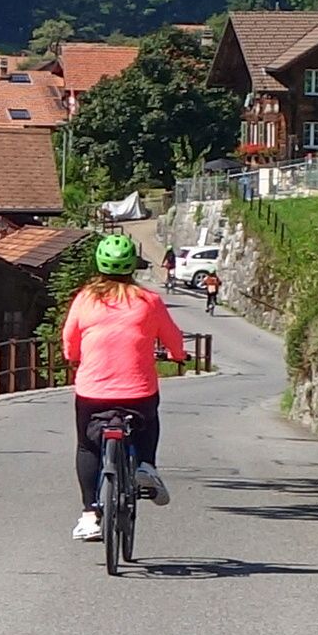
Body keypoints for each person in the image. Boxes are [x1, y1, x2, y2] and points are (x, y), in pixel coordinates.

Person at [59, 231, 185, 539]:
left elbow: (69, 342)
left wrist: (74, 357)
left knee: (87, 445)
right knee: (149, 421)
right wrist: (178, 356)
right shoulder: (149, 301)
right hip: (137, 392)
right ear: (133, 266)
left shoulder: (85, 299)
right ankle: (145, 465)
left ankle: (90, 513)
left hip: (92, 392)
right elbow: (174, 339)